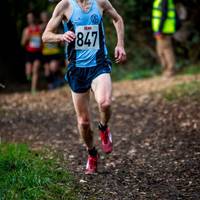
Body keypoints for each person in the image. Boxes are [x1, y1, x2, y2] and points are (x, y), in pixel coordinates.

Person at [42, 0, 126, 174]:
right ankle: (92, 153)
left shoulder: (101, 2)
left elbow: (117, 19)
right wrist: (60, 37)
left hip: (99, 64)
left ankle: (103, 127)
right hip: (77, 69)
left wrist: (120, 44)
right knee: (84, 122)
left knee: (105, 103)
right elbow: (46, 35)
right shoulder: (64, 5)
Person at [152, 0, 178, 77]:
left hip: (164, 31)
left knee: (166, 51)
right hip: (162, 30)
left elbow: (164, 15)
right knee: (161, 51)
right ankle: (166, 70)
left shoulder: (164, 1)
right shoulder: (159, 1)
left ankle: (170, 70)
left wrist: (159, 30)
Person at [40, 11, 64, 90]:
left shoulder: (54, 25)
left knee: (53, 68)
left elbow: (61, 35)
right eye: (43, 17)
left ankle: (60, 78)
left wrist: (60, 39)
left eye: (46, 16)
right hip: (45, 52)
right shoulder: (40, 27)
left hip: (54, 51)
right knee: (47, 71)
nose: (44, 18)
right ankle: (50, 85)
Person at [21, 12, 42, 94]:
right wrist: (27, 38)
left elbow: (43, 40)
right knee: (28, 72)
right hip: (29, 52)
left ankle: (33, 89)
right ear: (27, 19)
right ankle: (29, 79)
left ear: (34, 18)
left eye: (31, 17)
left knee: (35, 70)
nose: (30, 19)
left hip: (37, 52)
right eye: (29, 17)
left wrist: (40, 37)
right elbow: (22, 43)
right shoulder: (26, 30)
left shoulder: (39, 28)